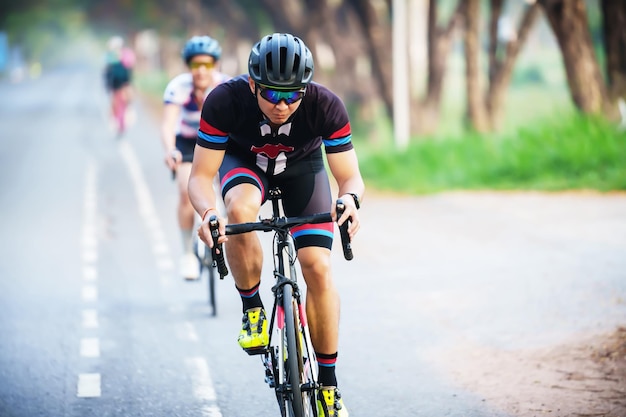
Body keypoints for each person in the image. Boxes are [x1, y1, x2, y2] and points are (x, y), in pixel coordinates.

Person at [189, 33, 364, 417]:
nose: (282, 105)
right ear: (252, 84)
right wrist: (206, 214)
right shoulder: (225, 101)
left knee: (317, 267)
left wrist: (349, 201)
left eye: (292, 95)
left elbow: (351, 178)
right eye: (271, 94)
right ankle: (253, 308)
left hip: (304, 171)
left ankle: (329, 387)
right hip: (246, 165)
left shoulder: (325, 105)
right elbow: (200, 178)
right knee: (239, 211)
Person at [161, 35, 230, 280]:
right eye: (195, 65)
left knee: (231, 190)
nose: (201, 71)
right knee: (184, 190)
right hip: (188, 142)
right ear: (187, 66)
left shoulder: (226, 87)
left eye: (208, 65)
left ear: (217, 65)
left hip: (221, 142)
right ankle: (187, 253)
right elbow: (168, 124)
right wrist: (171, 150)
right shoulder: (178, 87)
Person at [104, 36, 135, 136]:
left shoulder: (126, 55)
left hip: (124, 84)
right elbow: (108, 73)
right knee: (116, 105)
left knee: (126, 104)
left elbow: (129, 69)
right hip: (116, 85)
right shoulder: (111, 56)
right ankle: (118, 123)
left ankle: (123, 123)